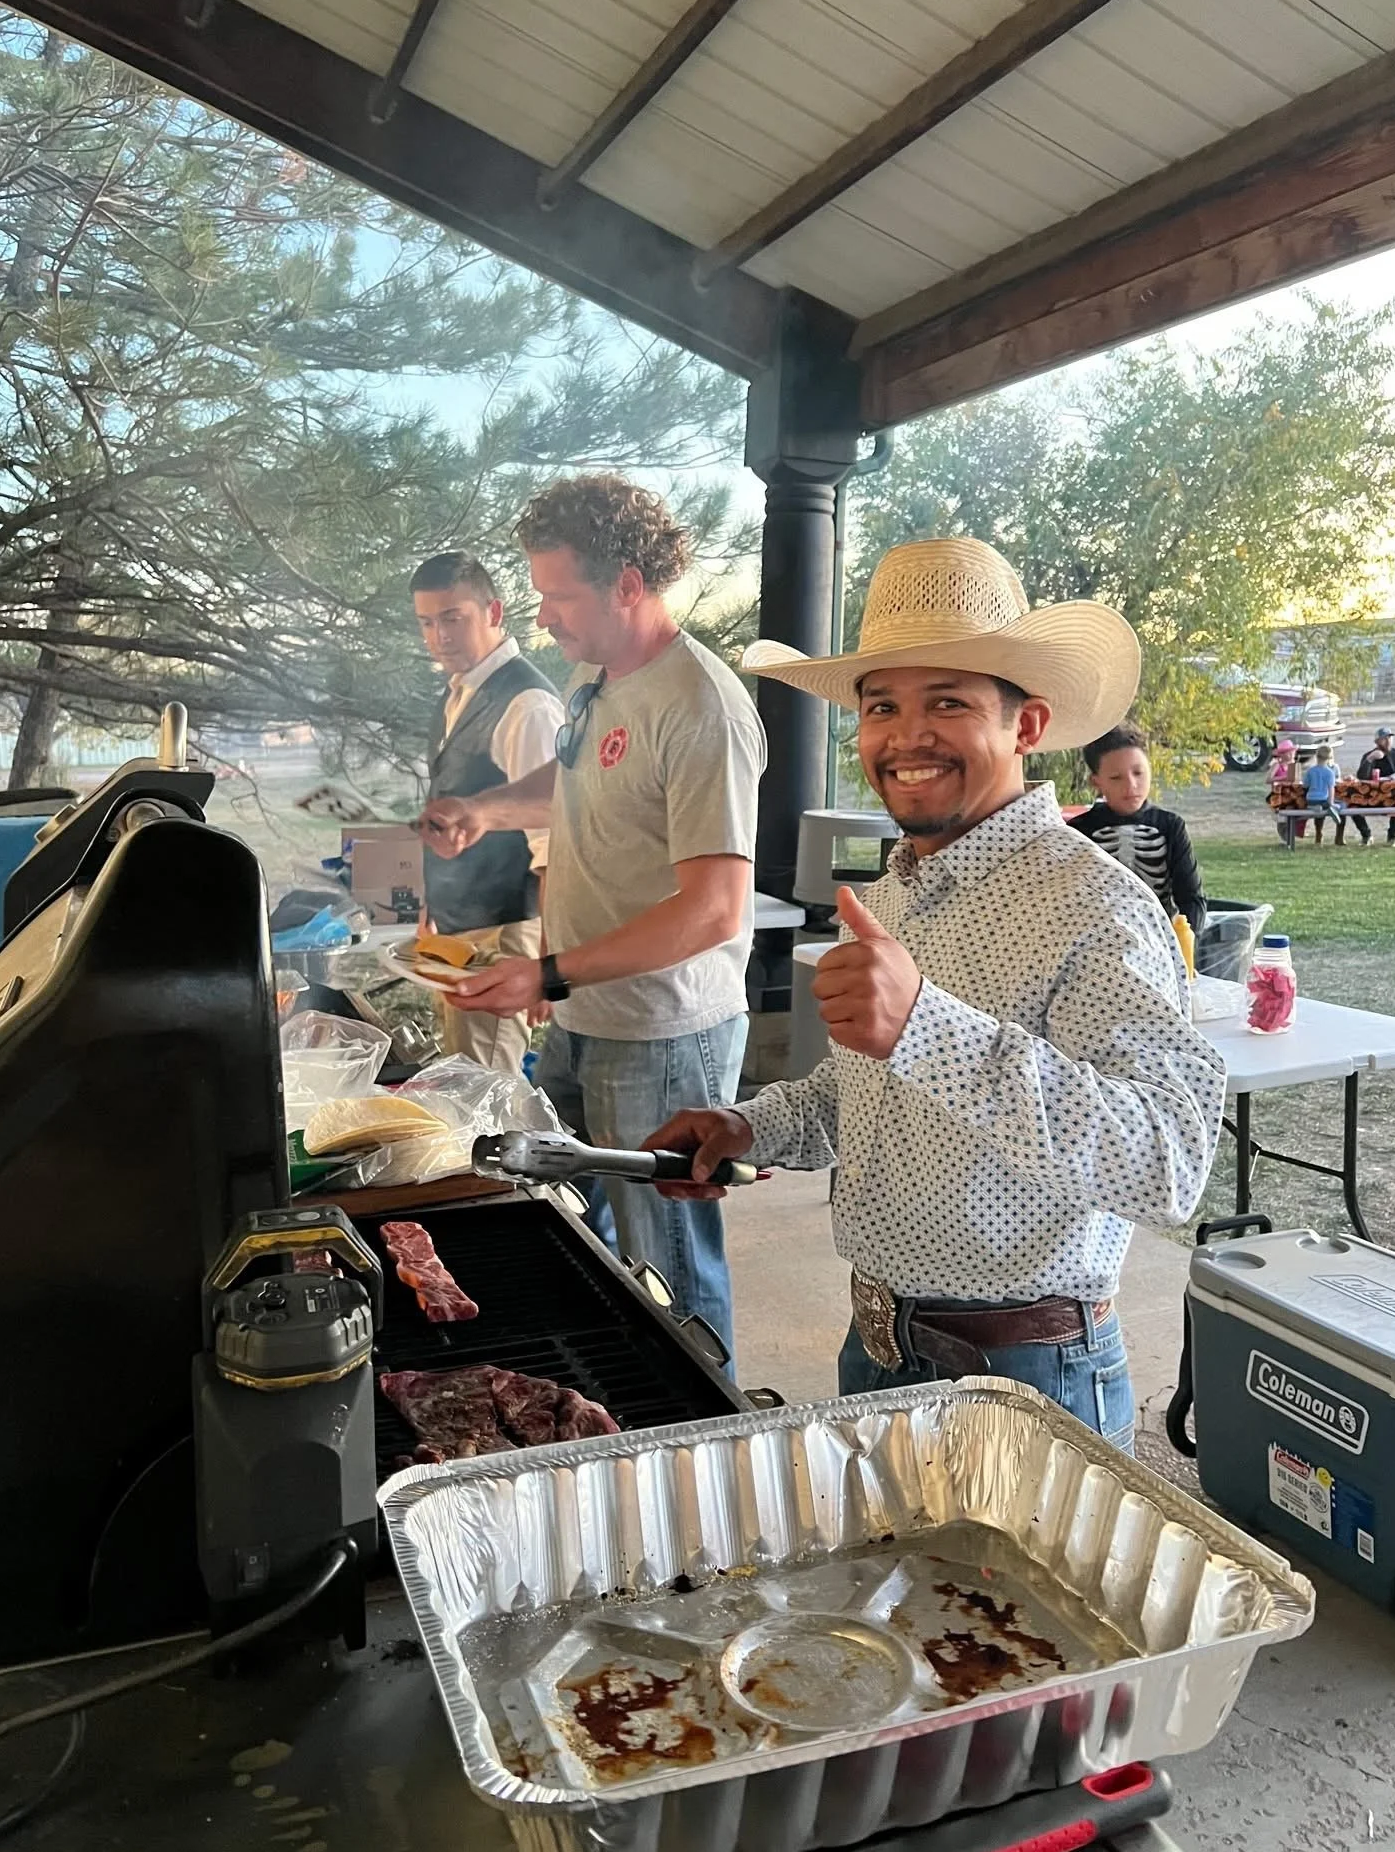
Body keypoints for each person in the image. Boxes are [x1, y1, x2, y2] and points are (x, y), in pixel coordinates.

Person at [644, 537, 1225, 1450]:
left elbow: (1170, 1162)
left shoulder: (1097, 905)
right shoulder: (891, 890)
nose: (903, 737)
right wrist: (753, 1127)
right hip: (873, 1348)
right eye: (881, 708)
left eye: (946, 702)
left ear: (1026, 727)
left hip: (1027, 1381)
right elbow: (869, 1095)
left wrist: (926, 1026)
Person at [421, 476, 766, 1358]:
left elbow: (714, 910)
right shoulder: (595, 677)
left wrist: (548, 971)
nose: (544, 619)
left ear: (626, 585)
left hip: (661, 1034)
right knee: (582, 1238)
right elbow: (570, 787)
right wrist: (485, 810)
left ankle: (700, 1446)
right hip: (584, 1014)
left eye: (558, 596)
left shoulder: (701, 708)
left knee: (671, 1270)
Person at [411, 551, 563, 1074]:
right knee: (464, 1081)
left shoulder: (528, 704)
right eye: (427, 623)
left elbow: (555, 835)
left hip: (505, 932)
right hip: (457, 930)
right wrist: (433, 910)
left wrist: (547, 963)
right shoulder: (457, 693)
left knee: (489, 1092)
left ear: (494, 611)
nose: (439, 637)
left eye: (453, 618)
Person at [1066, 725, 1206, 927]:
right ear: (1095, 782)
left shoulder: (1170, 826)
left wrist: (1183, 947)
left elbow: (1192, 900)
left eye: (1138, 773)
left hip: (1161, 942)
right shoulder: (1078, 831)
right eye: (1116, 778)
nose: (1131, 785)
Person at [1347, 726, 1395, 846]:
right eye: (1384, 738)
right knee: (1352, 806)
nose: (1388, 741)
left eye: (1390, 738)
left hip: (1392, 797)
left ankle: (1392, 837)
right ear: (1377, 742)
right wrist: (1370, 759)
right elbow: (1362, 776)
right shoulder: (1370, 755)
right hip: (1370, 797)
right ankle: (1366, 835)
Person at [1301, 742, 1342, 846]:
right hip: (1323, 799)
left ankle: (1314, 807)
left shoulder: (1310, 771)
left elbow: (1305, 785)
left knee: (1313, 803)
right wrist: (1331, 802)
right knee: (1330, 804)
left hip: (1310, 798)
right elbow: (1331, 789)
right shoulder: (1329, 772)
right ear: (1329, 758)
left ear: (1316, 756)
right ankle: (1328, 808)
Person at [1267, 738, 1302, 847]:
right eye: (1289, 753)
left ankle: (1290, 837)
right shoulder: (1277, 765)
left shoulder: (1294, 765)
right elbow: (1268, 779)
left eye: (1293, 752)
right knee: (1282, 819)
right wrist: (1283, 777)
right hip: (1279, 795)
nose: (1292, 755)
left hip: (1291, 794)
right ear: (1282, 755)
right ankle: (1286, 838)